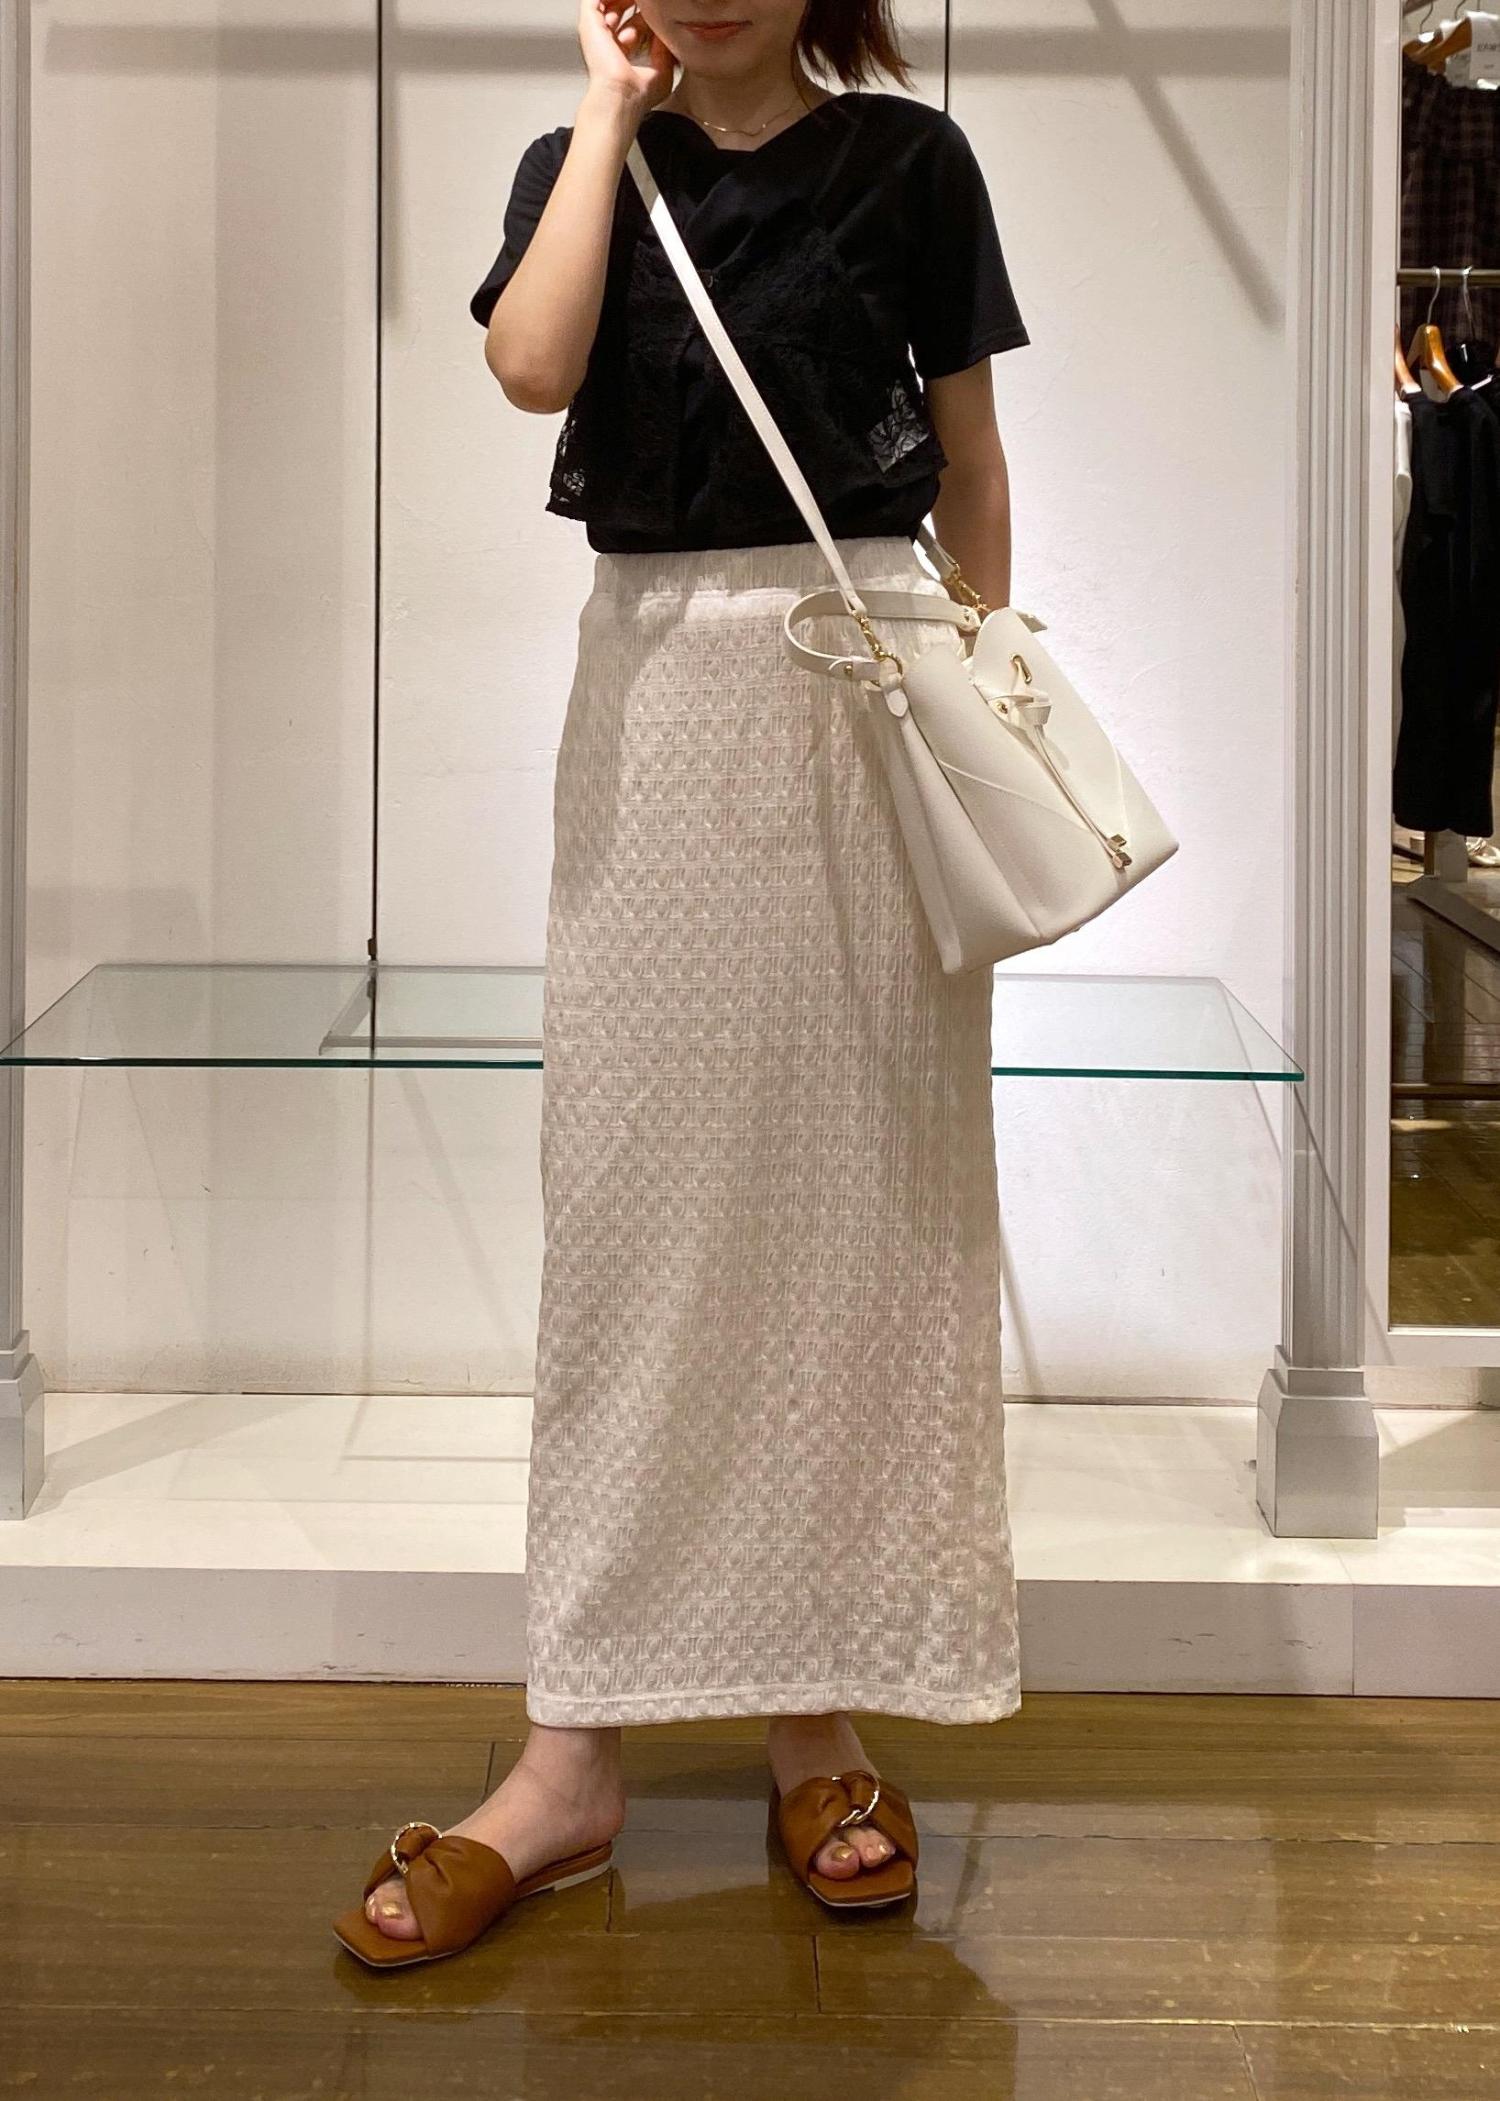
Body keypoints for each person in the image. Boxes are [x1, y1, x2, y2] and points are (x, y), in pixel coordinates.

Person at [334, 0, 1030, 1969]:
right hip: (652, 709)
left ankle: (820, 1718)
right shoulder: (580, 169)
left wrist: (976, 719)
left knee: (857, 1229)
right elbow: (531, 366)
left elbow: (974, 467)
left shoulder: (913, 164)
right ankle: (573, 1748)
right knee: (630, 1231)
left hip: (861, 699)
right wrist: (605, 105)